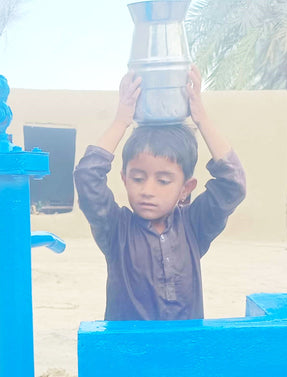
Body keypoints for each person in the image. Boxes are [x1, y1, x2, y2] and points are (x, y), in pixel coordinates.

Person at [73, 66, 246, 321]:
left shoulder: (194, 227)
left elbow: (233, 183)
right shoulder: (115, 229)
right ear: (124, 179)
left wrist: (202, 119)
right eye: (138, 178)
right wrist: (121, 121)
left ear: (185, 189)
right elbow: (88, 175)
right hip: (131, 356)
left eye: (163, 181)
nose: (147, 190)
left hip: (183, 355)